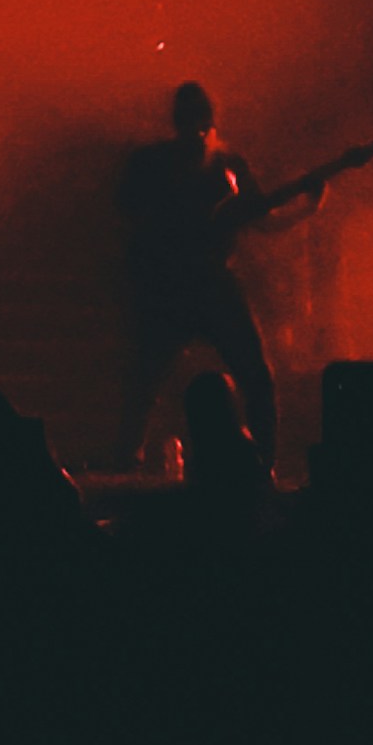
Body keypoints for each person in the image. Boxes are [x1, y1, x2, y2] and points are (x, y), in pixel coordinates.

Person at [118, 80, 324, 475]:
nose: (196, 130)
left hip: (209, 283)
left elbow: (261, 219)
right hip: (174, 284)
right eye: (190, 120)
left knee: (255, 377)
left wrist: (307, 207)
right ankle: (126, 459)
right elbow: (128, 213)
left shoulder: (228, 164)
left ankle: (264, 463)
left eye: (201, 121)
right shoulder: (154, 163)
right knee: (146, 377)